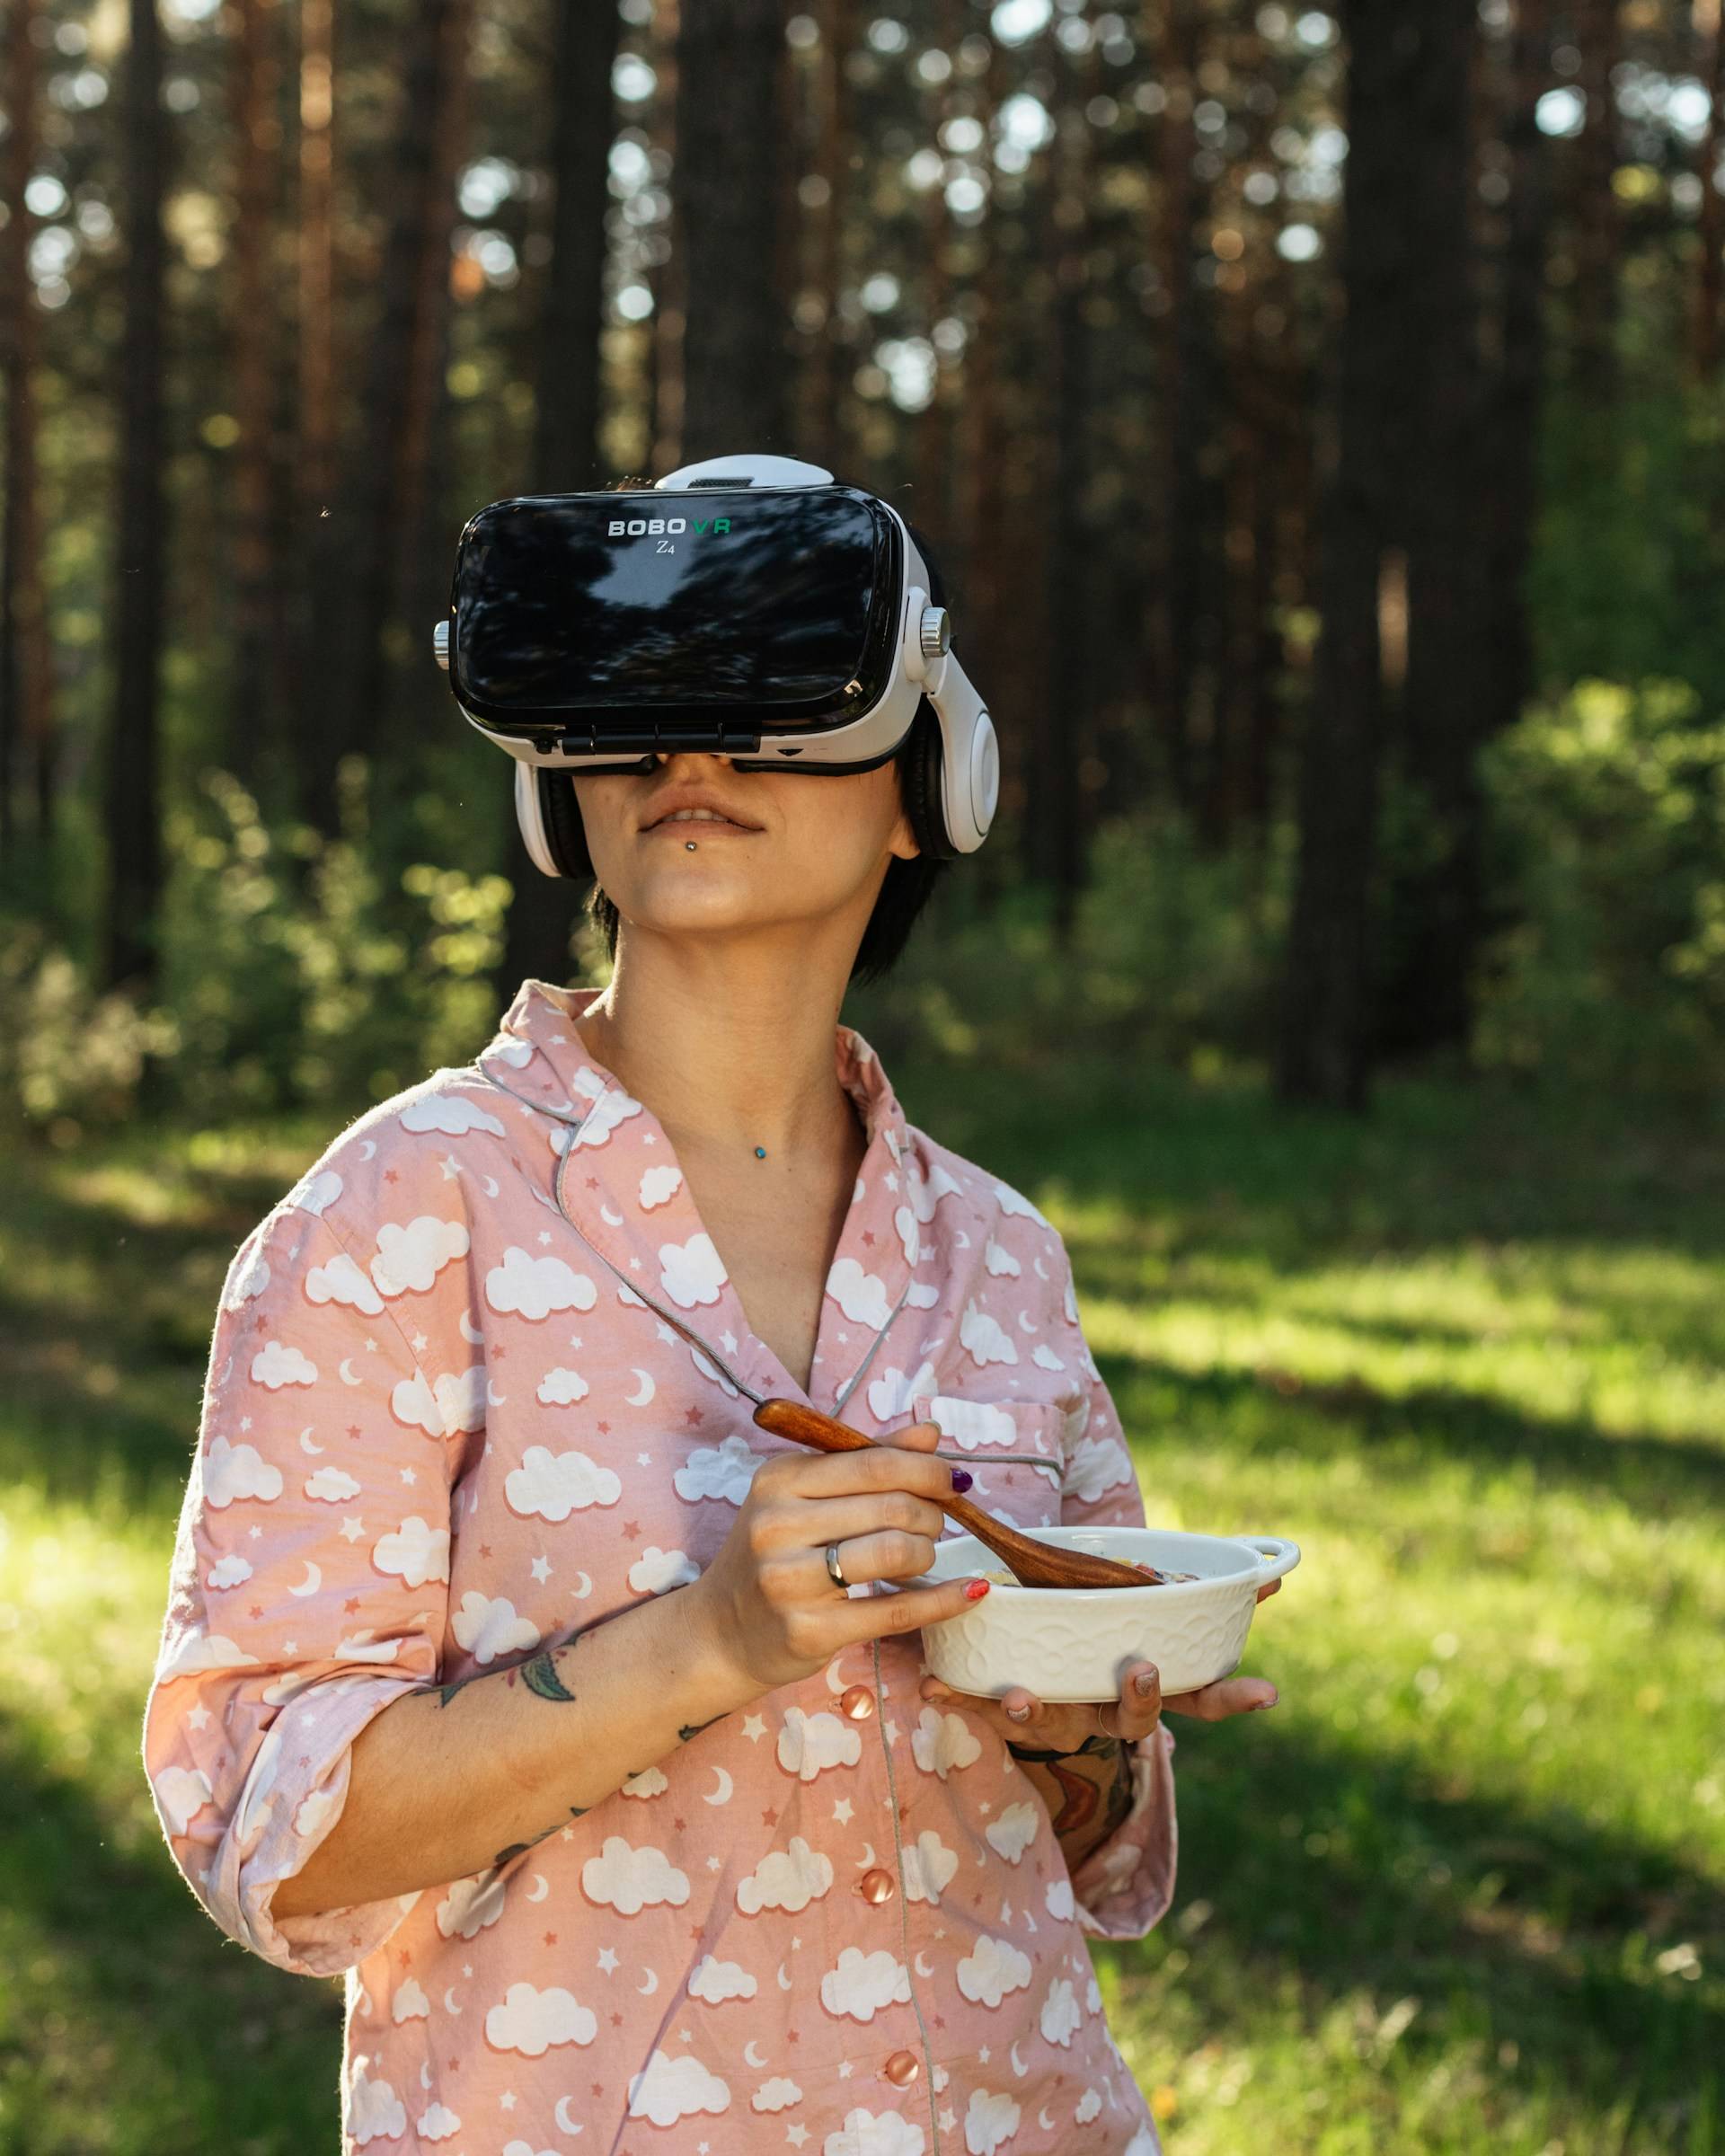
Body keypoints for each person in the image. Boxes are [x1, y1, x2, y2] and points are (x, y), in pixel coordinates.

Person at [141, 515, 1280, 2156]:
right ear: (561, 785)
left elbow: (1081, 1835)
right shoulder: (400, 1218)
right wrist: (713, 1641)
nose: (693, 747)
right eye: (638, 701)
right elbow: (271, 1838)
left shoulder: (1000, 1252)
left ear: (926, 790)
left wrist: (1090, 1736)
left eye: (778, 695)